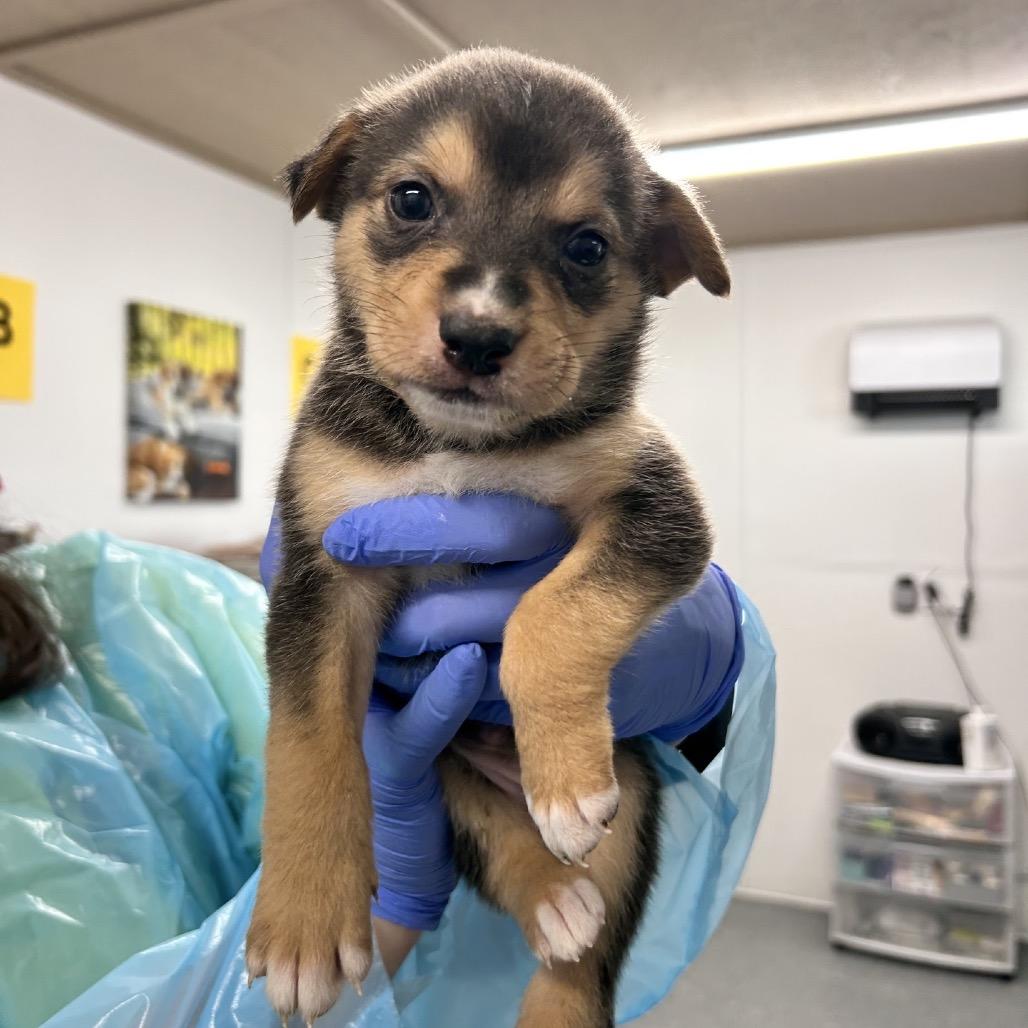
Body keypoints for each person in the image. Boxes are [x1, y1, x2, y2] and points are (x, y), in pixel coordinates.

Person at [261, 493, 745, 975]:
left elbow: (657, 516)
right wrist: (392, 904)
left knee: (588, 927)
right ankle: (535, 890)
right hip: (444, 778)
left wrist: (714, 700)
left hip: (587, 767)